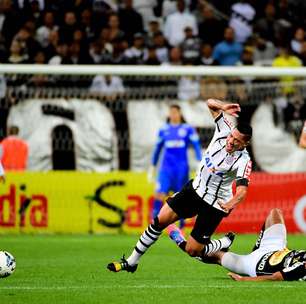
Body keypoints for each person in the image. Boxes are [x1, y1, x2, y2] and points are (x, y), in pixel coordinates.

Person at [107, 98, 252, 273]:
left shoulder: (244, 161)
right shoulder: (224, 130)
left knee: (192, 250)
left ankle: (222, 243)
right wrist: (223, 106)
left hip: (215, 204)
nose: (231, 141)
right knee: (159, 220)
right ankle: (131, 262)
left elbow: (242, 191)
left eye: (237, 141)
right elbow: (209, 103)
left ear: (245, 144)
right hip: (195, 189)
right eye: (232, 136)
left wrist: (230, 204)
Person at [195, 208, 306, 282]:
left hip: (255, 264)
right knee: (275, 213)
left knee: (213, 254)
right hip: (276, 248)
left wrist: (243, 279)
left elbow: (276, 276)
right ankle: (257, 247)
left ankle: (185, 242)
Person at [148, 104, 202, 228]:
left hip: (181, 169)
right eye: (171, 112)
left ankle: (181, 226)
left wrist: (199, 161)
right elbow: (157, 149)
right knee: (159, 194)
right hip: (166, 169)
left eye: (175, 112)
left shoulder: (188, 129)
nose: (173, 114)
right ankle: (154, 225)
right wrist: (152, 166)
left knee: (181, 197)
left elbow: (196, 145)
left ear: (179, 114)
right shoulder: (164, 130)